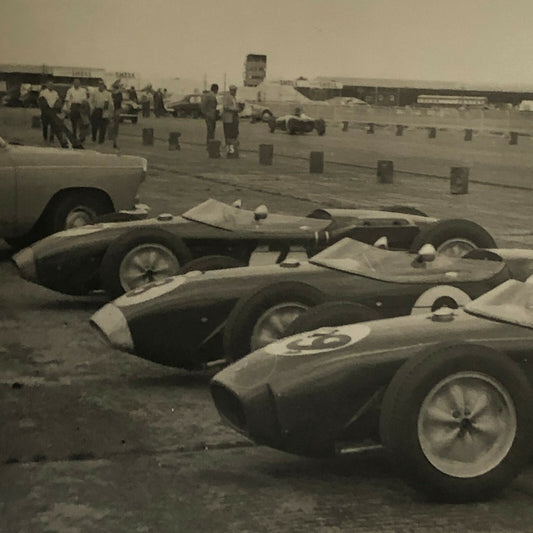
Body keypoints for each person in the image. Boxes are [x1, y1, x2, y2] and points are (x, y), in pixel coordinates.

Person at [38, 79, 60, 143]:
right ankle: (45, 138)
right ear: (47, 85)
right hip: (45, 111)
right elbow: (41, 101)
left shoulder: (55, 93)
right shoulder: (43, 92)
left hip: (52, 110)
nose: (51, 86)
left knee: (53, 125)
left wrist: (56, 108)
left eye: (52, 85)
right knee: (45, 125)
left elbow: (58, 101)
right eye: (50, 85)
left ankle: (51, 138)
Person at [222, 85, 241, 157]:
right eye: (234, 91)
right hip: (228, 119)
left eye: (235, 91)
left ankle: (233, 151)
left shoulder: (234, 98)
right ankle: (229, 151)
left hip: (234, 118)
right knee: (229, 135)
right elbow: (225, 107)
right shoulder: (227, 97)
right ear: (231, 90)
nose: (235, 92)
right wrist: (234, 109)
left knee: (234, 134)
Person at [109, 81, 123, 149]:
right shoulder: (114, 94)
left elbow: (118, 101)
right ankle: (114, 139)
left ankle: (114, 140)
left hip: (115, 110)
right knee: (114, 126)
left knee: (114, 125)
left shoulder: (115, 94)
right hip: (115, 110)